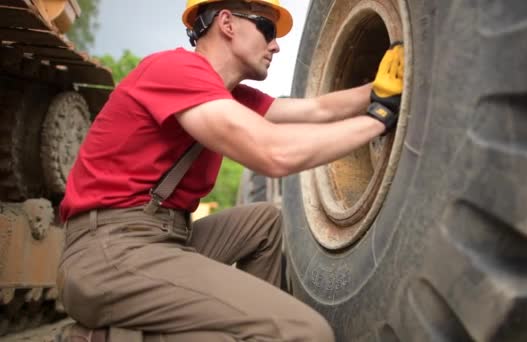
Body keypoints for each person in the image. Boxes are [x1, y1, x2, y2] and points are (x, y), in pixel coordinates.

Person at [57, 0, 404, 341]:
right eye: (267, 29)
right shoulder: (174, 70)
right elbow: (273, 153)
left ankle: (252, 328)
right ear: (227, 22)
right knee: (305, 332)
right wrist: (379, 120)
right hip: (109, 252)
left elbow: (316, 109)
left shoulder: (227, 95)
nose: (276, 45)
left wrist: (381, 88)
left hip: (167, 238)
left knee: (265, 224)